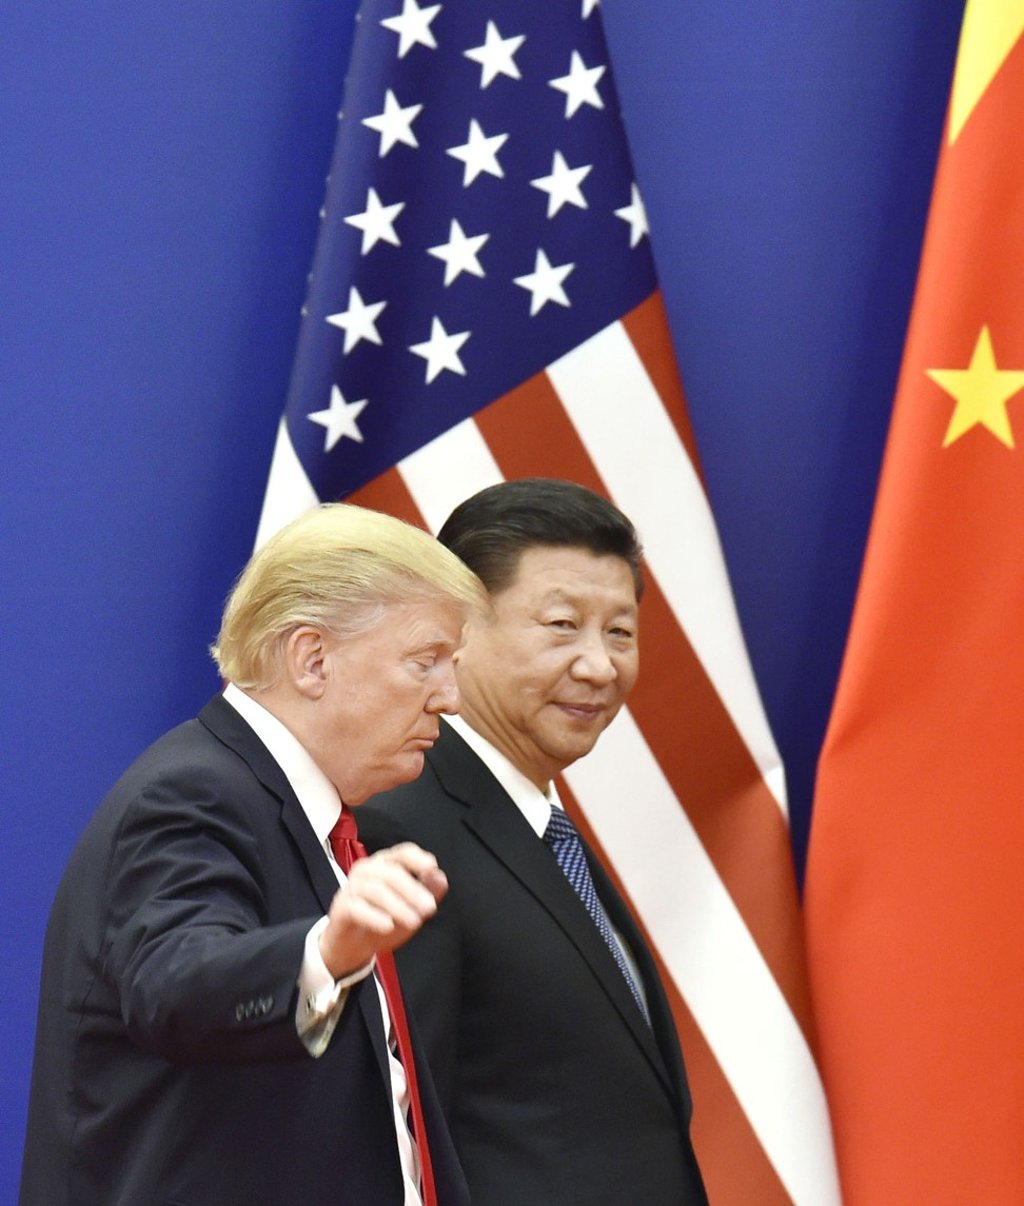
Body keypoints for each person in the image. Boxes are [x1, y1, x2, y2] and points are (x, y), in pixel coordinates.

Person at [19, 502, 486, 1206]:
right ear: (312, 658)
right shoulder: (191, 791)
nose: (451, 699)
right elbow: (172, 983)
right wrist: (327, 950)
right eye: (425, 662)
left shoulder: (335, 826)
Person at [358, 478, 709, 1206]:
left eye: (620, 633)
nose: (600, 666)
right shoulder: (405, 828)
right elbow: (395, 1127)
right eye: (561, 625)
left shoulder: (540, 822)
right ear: (458, 627)